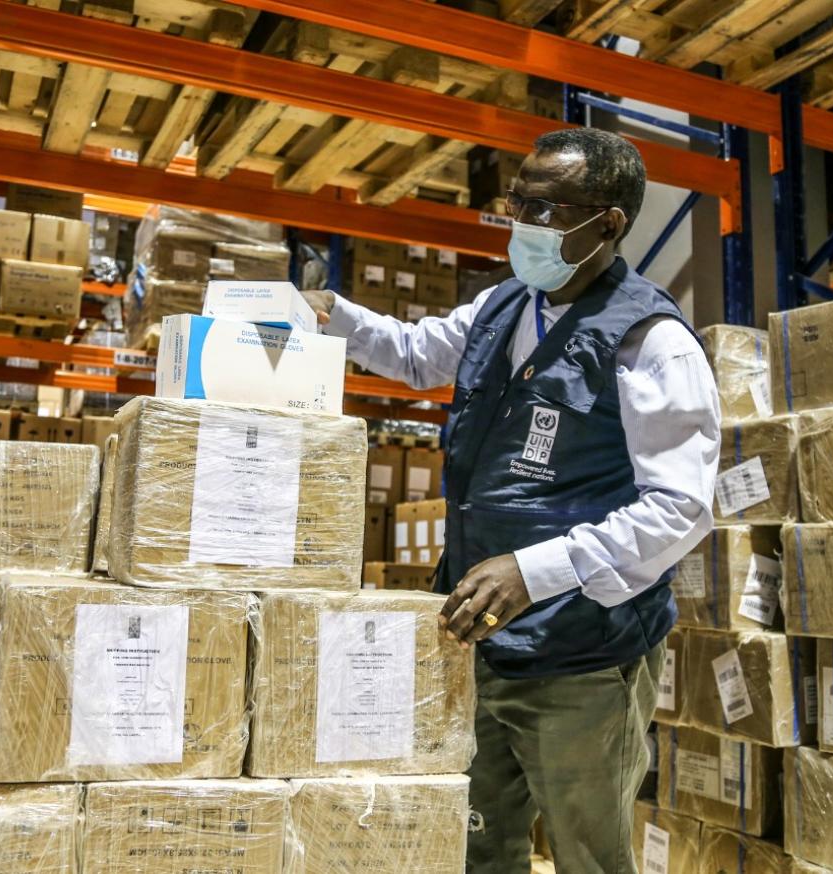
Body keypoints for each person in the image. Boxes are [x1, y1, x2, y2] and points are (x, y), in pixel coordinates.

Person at [303, 127, 720, 874]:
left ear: (608, 224)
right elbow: (414, 351)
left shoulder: (651, 341)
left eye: (544, 207)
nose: (521, 222)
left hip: (582, 651)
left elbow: (679, 510)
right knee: (476, 841)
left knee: (588, 853)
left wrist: (536, 570)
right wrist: (331, 313)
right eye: (518, 201)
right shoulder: (504, 305)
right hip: (481, 640)